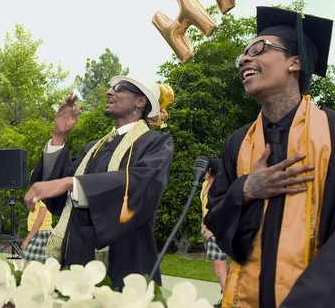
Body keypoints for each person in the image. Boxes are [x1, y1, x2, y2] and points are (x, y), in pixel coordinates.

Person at [205, 6, 335, 307]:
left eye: (258, 49)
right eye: (242, 55)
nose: (244, 59)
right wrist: (247, 190)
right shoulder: (238, 144)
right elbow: (217, 219)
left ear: (295, 63)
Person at [24, 76, 174, 288]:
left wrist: (72, 183)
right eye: (111, 88)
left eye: (119, 88)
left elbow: (141, 183)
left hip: (123, 266)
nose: (109, 92)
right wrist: (58, 136)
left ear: (140, 102)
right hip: (74, 262)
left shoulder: (155, 144)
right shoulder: (94, 148)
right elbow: (57, 197)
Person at [199, 157, 226, 306]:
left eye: (204, 168)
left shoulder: (221, 187)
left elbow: (225, 211)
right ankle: (227, 298)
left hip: (217, 232)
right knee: (218, 270)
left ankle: (228, 302)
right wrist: (203, 226)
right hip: (207, 231)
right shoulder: (205, 184)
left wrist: (214, 230)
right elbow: (204, 208)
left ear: (210, 170)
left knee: (220, 270)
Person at [21, 200, 52, 266]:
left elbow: (39, 222)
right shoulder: (37, 201)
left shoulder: (44, 201)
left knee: (28, 263)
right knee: (34, 263)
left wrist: (27, 240)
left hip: (42, 233)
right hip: (38, 233)